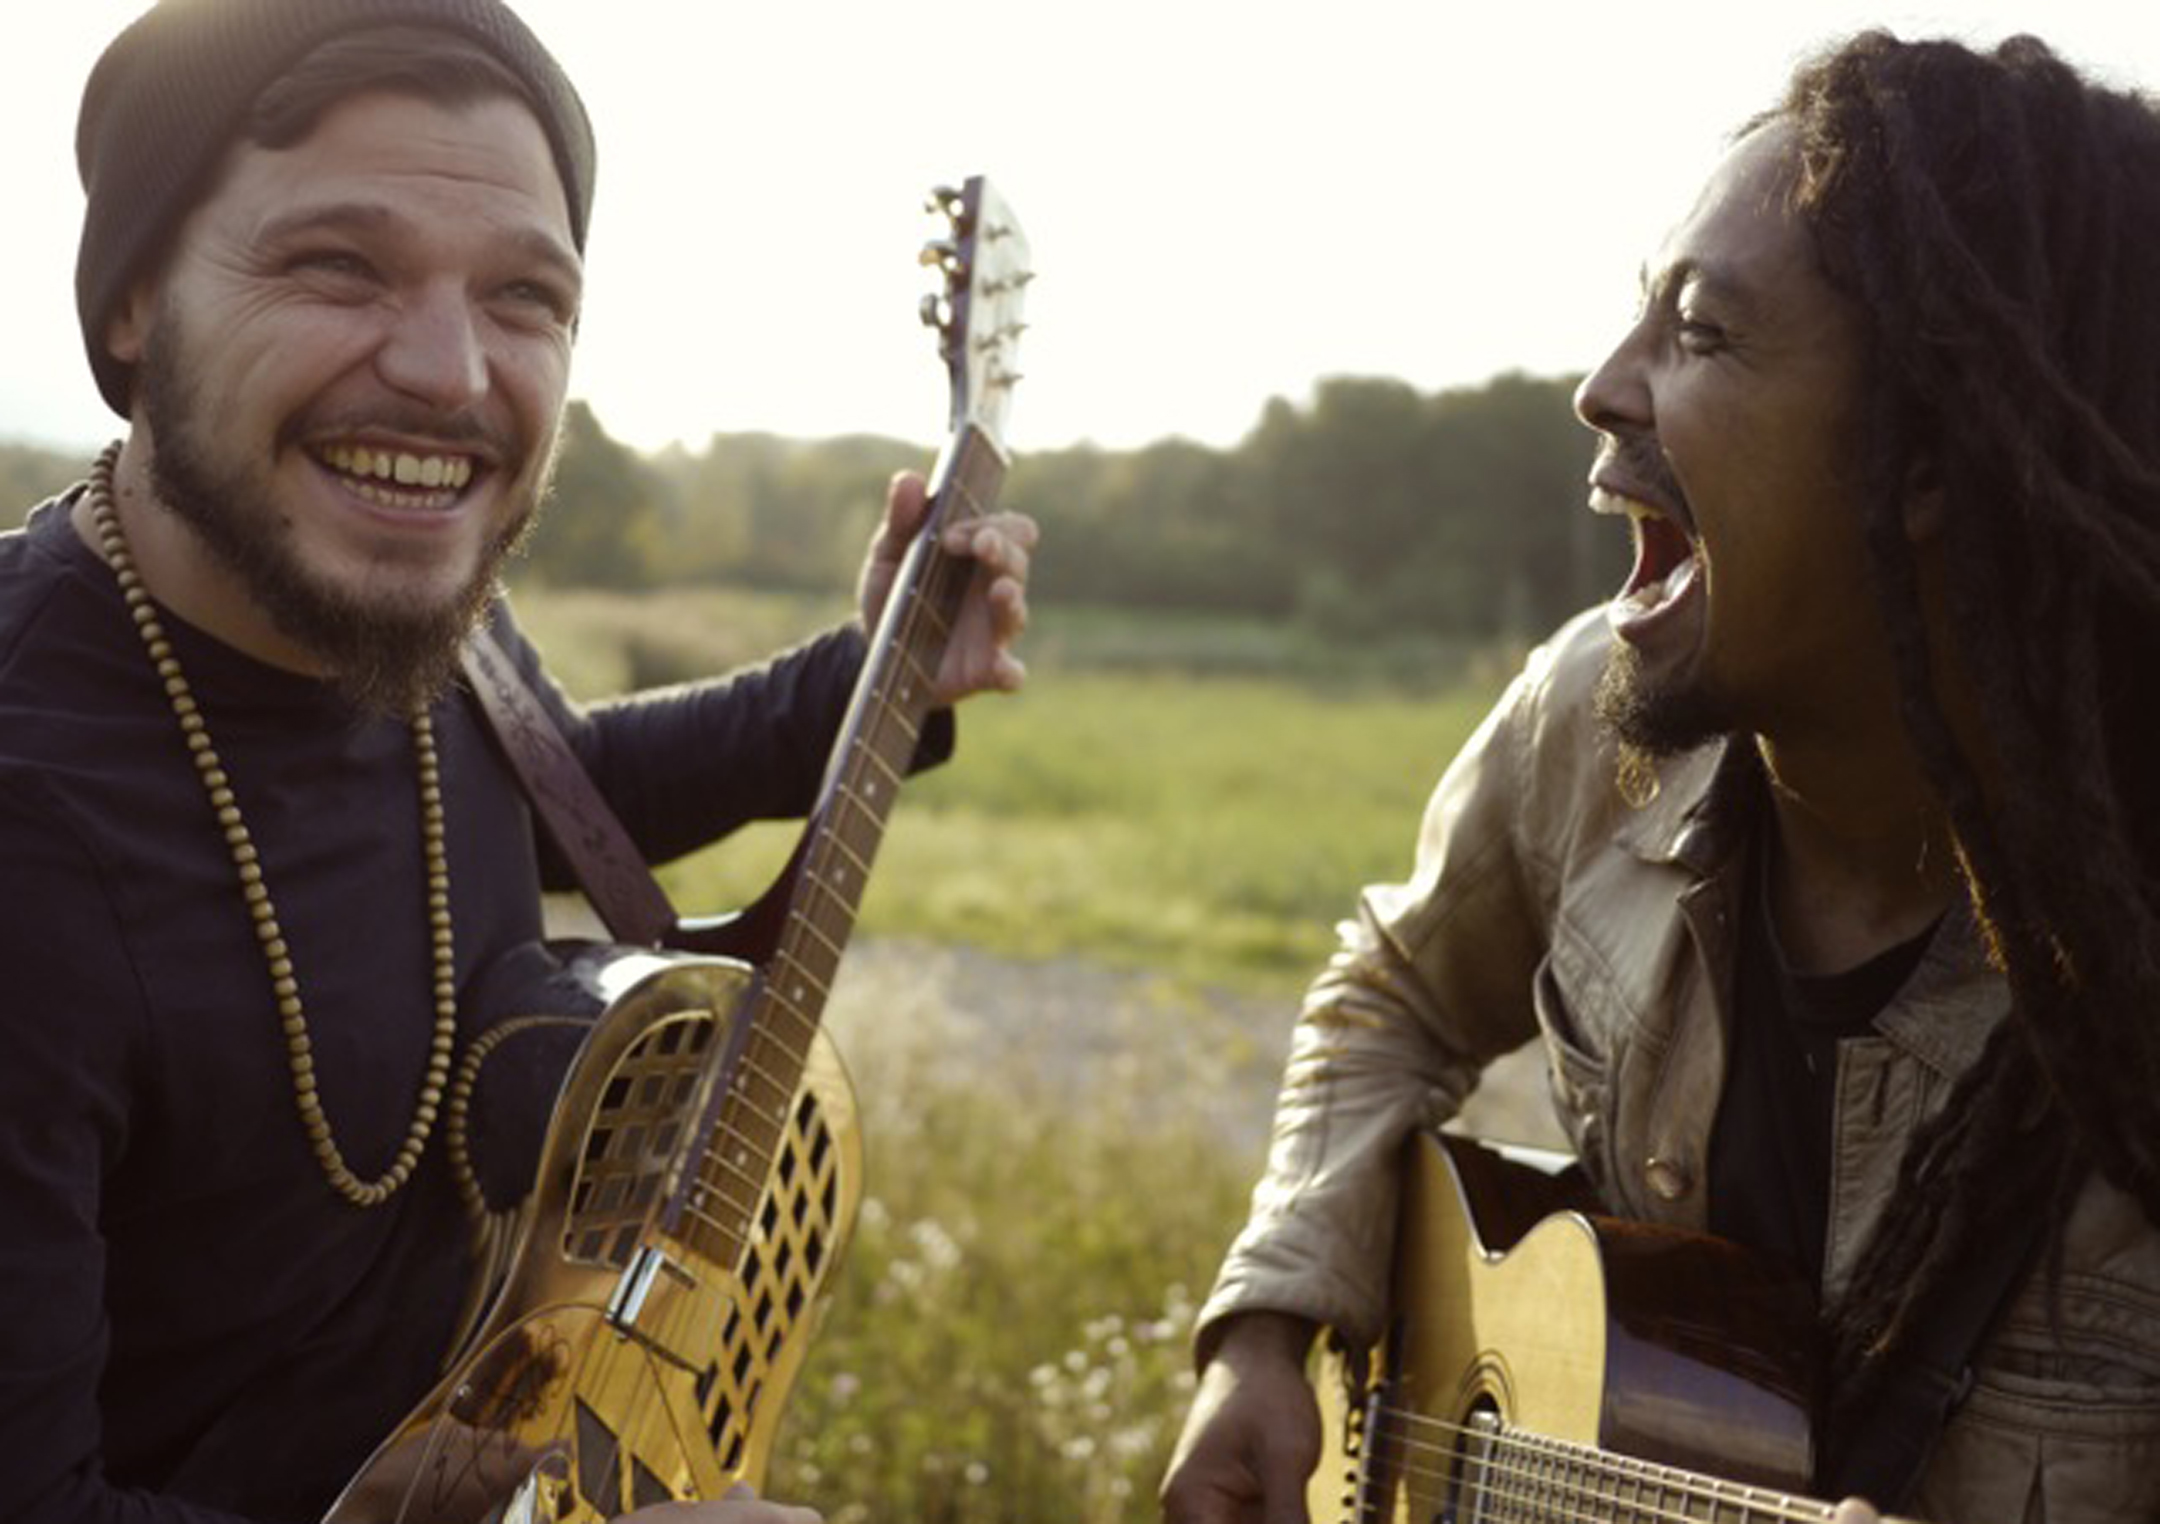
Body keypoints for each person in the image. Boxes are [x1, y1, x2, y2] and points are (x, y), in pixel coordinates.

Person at [0, 2, 1037, 1522]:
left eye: (525, 297)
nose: (448, 370)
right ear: (135, 303)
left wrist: (867, 673)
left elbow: (561, 784)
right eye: (337, 265)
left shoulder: (421, 622)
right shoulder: (30, 809)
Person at [1160, 29, 2160, 1524]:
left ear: (1928, 454)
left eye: (1700, 331)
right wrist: (1266, 1332)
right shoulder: (1591, 721)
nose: (1600, 388)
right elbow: (1396, 988)